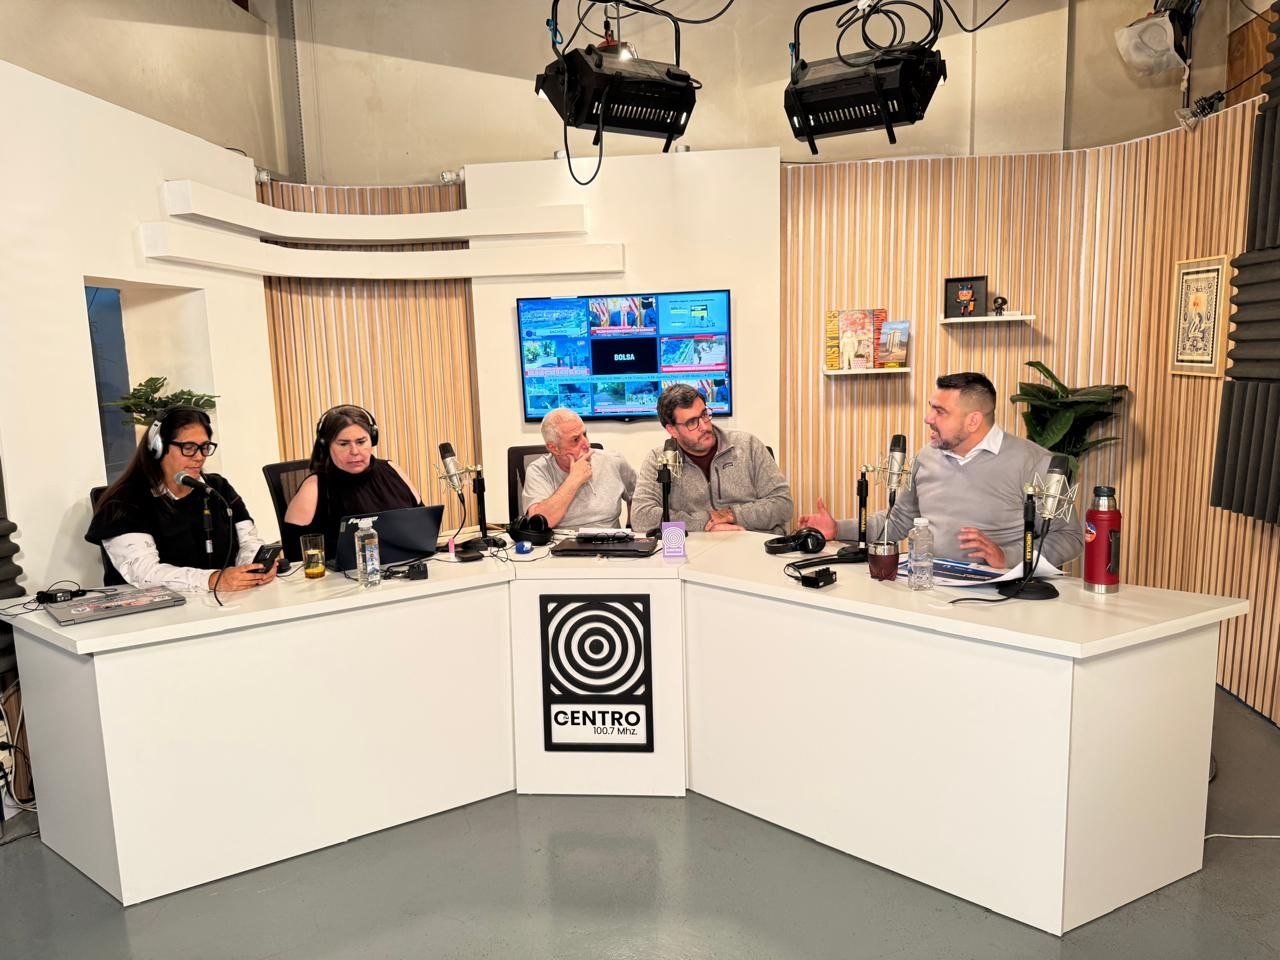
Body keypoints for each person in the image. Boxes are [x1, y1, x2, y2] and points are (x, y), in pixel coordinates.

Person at [800, 372, 1084, 568]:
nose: (928, 418)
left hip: (999, 599)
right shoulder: (926, 457)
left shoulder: (1034, 462)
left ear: (973, 421)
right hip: (929, 589)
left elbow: (1069, 538)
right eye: (931, 408)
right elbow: (898, 521)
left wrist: (1007, 556)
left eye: (940, 411)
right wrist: (838, 528)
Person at [86, 406, 277, 593]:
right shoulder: (123, 501)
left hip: (222, 601)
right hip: (155, 609)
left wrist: (254, 568)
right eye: (189, 447)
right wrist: (212, 580)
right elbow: (144, 572)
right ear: (158, 447)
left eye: (204, 447)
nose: (199, 457)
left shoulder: (217, 489)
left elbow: (248, 541)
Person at [630, 384, 793, 535]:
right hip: (696, 550)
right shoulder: (659, 459)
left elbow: (783, 504)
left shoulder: (748, 445)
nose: (704, 426)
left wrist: (732, 515)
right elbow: (641, 517)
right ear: (672, 430)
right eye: (692, 422)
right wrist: (705, 522)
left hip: (753, 542)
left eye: (704, 414)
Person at [282, 404, 421, 560]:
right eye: (343, 444)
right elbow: (294, 559)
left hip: (404, 566)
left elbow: (422, 526)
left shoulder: (392, 469)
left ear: (372, 439)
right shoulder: (313, 488)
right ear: (326, 445)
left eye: (361, 442)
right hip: (342, 574)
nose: (354, 451)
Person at [521, 408, 636, 528]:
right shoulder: (538, 471)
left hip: (609, 538)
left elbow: (638, 496)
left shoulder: (613, 461)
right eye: (575, 440)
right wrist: (574, 479)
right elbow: (538, 522)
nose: (587, 444)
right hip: (563, 538)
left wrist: (631, 527)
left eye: (584, 434)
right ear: (554, 448)